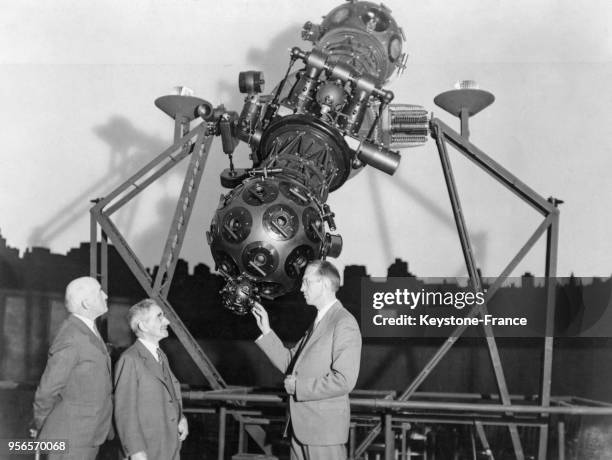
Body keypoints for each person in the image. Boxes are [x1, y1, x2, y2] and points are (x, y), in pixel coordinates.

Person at [251, 259, 362, 460]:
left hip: (323, 433)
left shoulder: (344, 322)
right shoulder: (319, 322)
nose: (301, 288)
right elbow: (290, 363)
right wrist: (266, 330)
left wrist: (298, 387)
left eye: (307, 282)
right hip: (302, 429)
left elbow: (344, 380)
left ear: (326, 284)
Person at [31, 276, 113, 460]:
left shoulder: (86, 330)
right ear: (86, 303)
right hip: (70, 437)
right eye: (100, 291)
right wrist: (43, 425)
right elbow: (47, 390)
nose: (105, 295)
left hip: (86, 435)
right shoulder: (72, 336)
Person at [114, 299, 188, 460]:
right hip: (147, 450)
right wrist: (135, 451)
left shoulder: (160, 355)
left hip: (168, 446)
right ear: (143, 326)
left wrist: (181, 417)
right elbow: (124, 411)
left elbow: (167, 394)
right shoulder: (130, 359)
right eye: (159, 317)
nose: (167, 321)